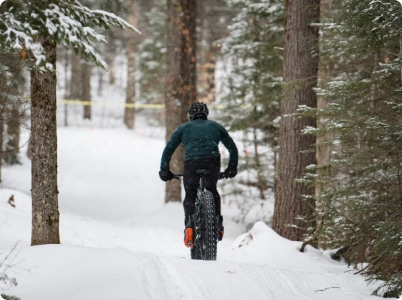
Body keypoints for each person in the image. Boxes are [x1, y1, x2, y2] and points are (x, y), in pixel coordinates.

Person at [159, 102, 238, 248]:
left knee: (190, 193)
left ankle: (189, 225)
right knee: (212, 189)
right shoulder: (216, 126)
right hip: (212, 161)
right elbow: (232, 147)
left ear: (191, 116)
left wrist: (164, 170)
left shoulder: (183, 128)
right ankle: (218, 225)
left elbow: (169, 149)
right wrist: (232, 167)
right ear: (206, 115)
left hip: (192, 163)